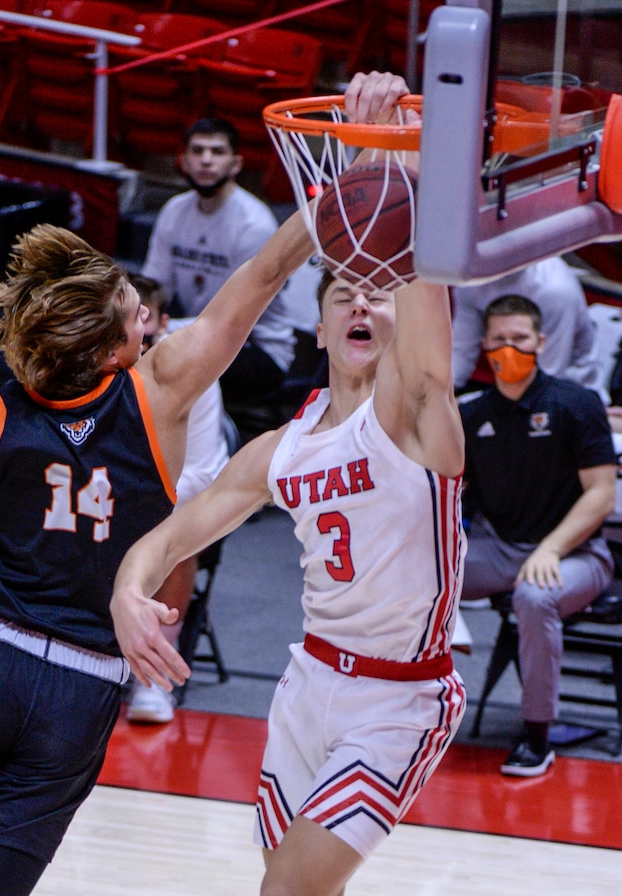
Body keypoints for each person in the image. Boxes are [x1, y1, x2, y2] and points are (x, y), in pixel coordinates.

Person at [0, 100, 329, 893]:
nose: (148, 319)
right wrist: (346, 177)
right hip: (80, 687)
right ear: (114, 347)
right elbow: (267, 272)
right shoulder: (165, 390)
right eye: (135, 315)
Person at [111, 75, 467, 894]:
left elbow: (427, 353)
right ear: (321, 322)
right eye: (349, 289)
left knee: (286, 891)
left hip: (400, 701)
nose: (366, 303)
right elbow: (171, 535)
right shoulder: (281, 447)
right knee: (299, 884)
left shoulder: (414, 415)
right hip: (308, 683)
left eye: (384, 294)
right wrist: (129, 592)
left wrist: (391, 163)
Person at [459, 293, 617, 777]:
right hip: (500, 550)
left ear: (540, 342)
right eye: (500, 340)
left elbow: (601, 494)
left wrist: (551, 548)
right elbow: (454, 497)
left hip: (577, 555)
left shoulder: (577, 404)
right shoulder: (470, 414)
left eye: (520, 339)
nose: (510, 348)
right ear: (485, 345)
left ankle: (535, 735)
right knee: (413, 576)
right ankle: (405, 711)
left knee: (533, 595)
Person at [125, 275, 230, 724]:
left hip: (172, 504)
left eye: (148, 333)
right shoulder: (85, 362)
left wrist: (130, 497)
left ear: (163, 324)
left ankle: (153, 676)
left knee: (176, 534)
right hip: (98, 497)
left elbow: (203, 476)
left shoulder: (194, 368)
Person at [141, 116, 296, 410]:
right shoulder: (174, 211)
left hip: (258, 349)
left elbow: (235, 319)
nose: (206, 161)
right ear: (183, 161)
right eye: (197, 151)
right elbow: (153, 288)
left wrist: (161, 332)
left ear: (236, 164)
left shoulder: (254, 223)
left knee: (171, 366)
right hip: (194, 334)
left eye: (217, 152)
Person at [451, 255, 608, 401]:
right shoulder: (470, 281)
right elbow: (461, 356)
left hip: (572, 395)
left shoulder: (556, 290)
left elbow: (550, 378)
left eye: (519, 338)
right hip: (507, 390)